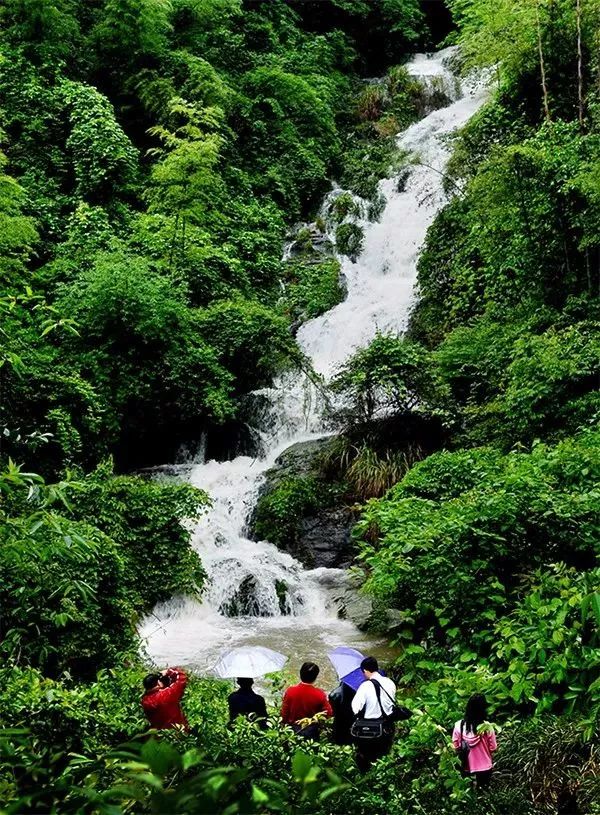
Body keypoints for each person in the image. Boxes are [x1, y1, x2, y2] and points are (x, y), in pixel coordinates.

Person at [351, 656, 396, 771]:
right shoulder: (390, 683)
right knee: (384, 756)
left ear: (365, 671)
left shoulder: (365, 686)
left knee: (366, 758)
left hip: (370, 729)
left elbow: (355, 708)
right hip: (387, 727)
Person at [452, 694, 497, 789]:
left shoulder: (458, 725)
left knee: (469, 793)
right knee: (484, 793)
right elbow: (493, 747)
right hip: (485, 766)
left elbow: (455, 746)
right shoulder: (487, 727)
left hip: (466, 766)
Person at [281, 661, 333, 739]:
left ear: (300, 674)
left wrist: (282, 727)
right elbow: (328, 713)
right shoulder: (320, 694)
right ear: (315, 677)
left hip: (292, 731)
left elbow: (284, 713)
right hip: (311, 731)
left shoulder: (290, 691)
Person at [329, 681, 356, 745]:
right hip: (352, 727)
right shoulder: (359, 694)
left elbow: (332, 710)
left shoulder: (334, 694)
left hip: (338, 726)